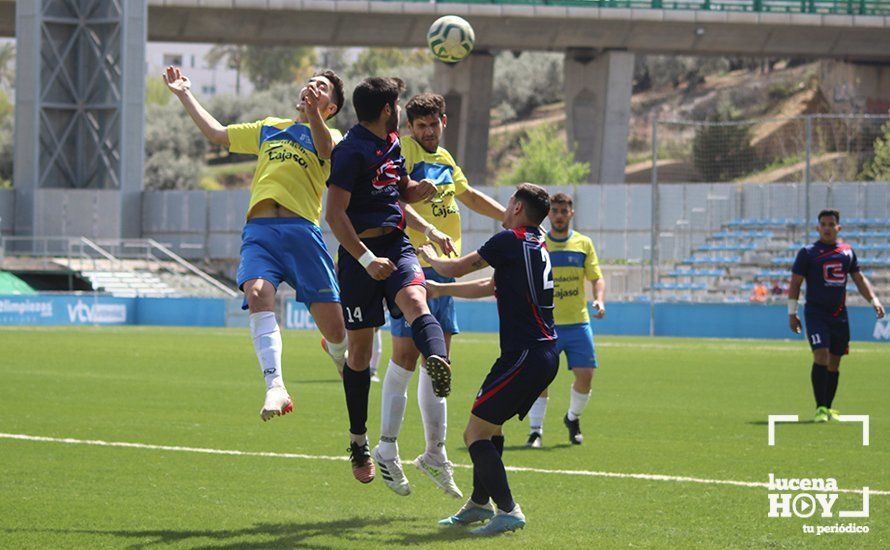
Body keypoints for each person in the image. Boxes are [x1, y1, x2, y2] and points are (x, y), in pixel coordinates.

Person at [163, 66, 350, 422]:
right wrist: (184, 93)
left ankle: (338, 352)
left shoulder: (334, 136)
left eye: (322, 87)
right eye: (311, 81)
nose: (312, 86)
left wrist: (313, 118)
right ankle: (276, 386)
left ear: (331, 107)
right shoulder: (269, 127)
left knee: (337, 331)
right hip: (260, 232)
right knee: (258, 293)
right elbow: (217, 134)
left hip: (302, 234)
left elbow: (326, 151)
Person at [375, 93, 506, 498]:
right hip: (411, 263)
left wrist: (507, 216)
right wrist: (428, 233)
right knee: (406, 356)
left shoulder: (446, 159)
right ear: (410, 127)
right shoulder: (405, 152)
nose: (427, 132)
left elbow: (467, 196)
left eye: (433, 125)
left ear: (443, 122)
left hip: (444, 269)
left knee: (441, 362)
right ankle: (387, 446)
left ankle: (434, 453)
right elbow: (395, 196)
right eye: (420, 126)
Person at [324, 77, 452, 486]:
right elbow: (334, 215)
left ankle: (438, 362)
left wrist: (419, 191)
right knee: (359, 353)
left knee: (418, 300)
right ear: (385, 109)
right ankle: (359, 441)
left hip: (397, 247)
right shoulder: (349, 151)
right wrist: (364, 258)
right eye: (396, 104)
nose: (398, 109)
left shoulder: (393, 141)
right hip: (360, 258)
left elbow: (399, 192)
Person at [420, 183, 558, 536]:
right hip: (537, 354)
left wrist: (431, 261)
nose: (506, 205)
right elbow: (488, 287)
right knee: (489, 426)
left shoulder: (508, 241)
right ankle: (480, 504)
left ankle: (509, 509)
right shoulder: (535, 242)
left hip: (525, 355)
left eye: (510, 201)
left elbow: (457, 268)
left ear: (516, 208)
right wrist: (440, 289)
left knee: (474, 434)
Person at [788, 209, 884, 423]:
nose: (827, 228)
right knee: (820, 356)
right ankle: (820, 408)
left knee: (834, 363)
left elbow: (859, 279)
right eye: (824, 224)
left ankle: (828, 408)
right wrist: (792, 313)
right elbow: (795, 282)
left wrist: (874, 300)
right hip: (815, 313)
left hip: (839, 315)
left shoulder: (847, 252)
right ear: (818, 228)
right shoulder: (807, 252)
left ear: (838, 228)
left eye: (831, 224)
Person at [525, 192, 605, 448]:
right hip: (546, 324)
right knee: (540, 378)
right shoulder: (539, 242)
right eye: (555, 211)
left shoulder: (583, 243)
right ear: (549, 214)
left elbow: (596, 277)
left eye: (563, 211)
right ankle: (536, 431)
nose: (559, 216)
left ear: (571, 214)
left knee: (586, 375)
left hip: (578, 323)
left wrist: (599, 299)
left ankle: (573, 418)